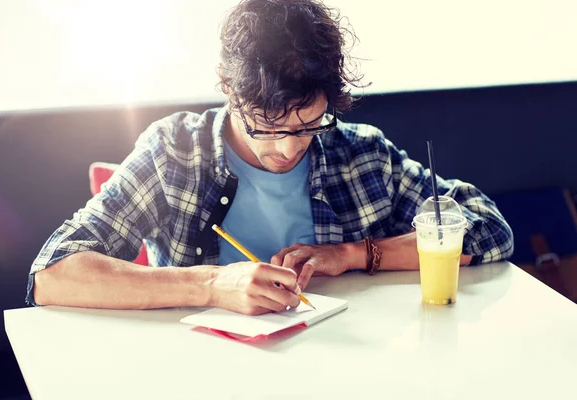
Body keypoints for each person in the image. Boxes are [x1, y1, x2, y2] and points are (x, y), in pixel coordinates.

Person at [27, 0, 513, 315]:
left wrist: (353, 255)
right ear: (226, 87)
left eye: (308, 125)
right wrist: (212, 284)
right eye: (266, 125)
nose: (287, 148)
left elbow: (487, 231)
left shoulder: (359, 153)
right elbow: (53, 273)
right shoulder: (173, 153)